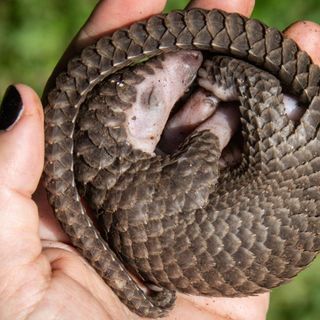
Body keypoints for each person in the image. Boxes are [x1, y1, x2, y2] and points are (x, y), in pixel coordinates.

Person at [0, 0, 319, 319]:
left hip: (266, 196)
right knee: (247, 87)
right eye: (154, 97)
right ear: (135, 126)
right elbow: (212, 138)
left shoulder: (136, 207)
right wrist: (217, 79)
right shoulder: (144, 202)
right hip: (291, 168)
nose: (189, 62)